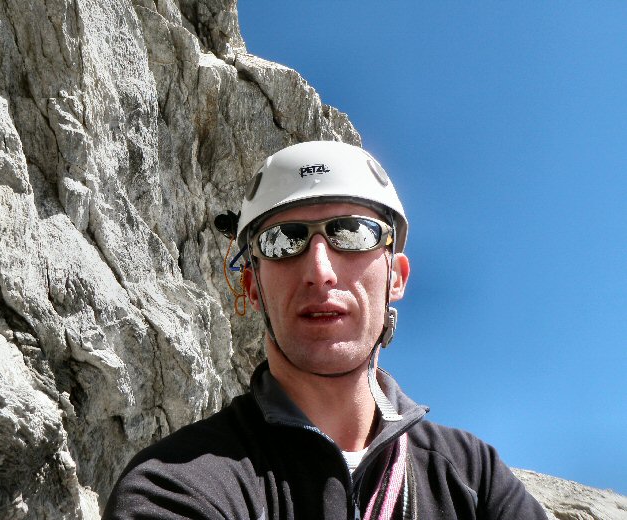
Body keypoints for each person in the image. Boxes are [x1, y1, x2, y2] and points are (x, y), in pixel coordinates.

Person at [103, 141, 546, 519]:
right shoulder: (177, 484)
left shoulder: (474, 476)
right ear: (252, 287)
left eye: (353, 233)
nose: (320, 272)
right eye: (283, 241)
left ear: (396, 277)